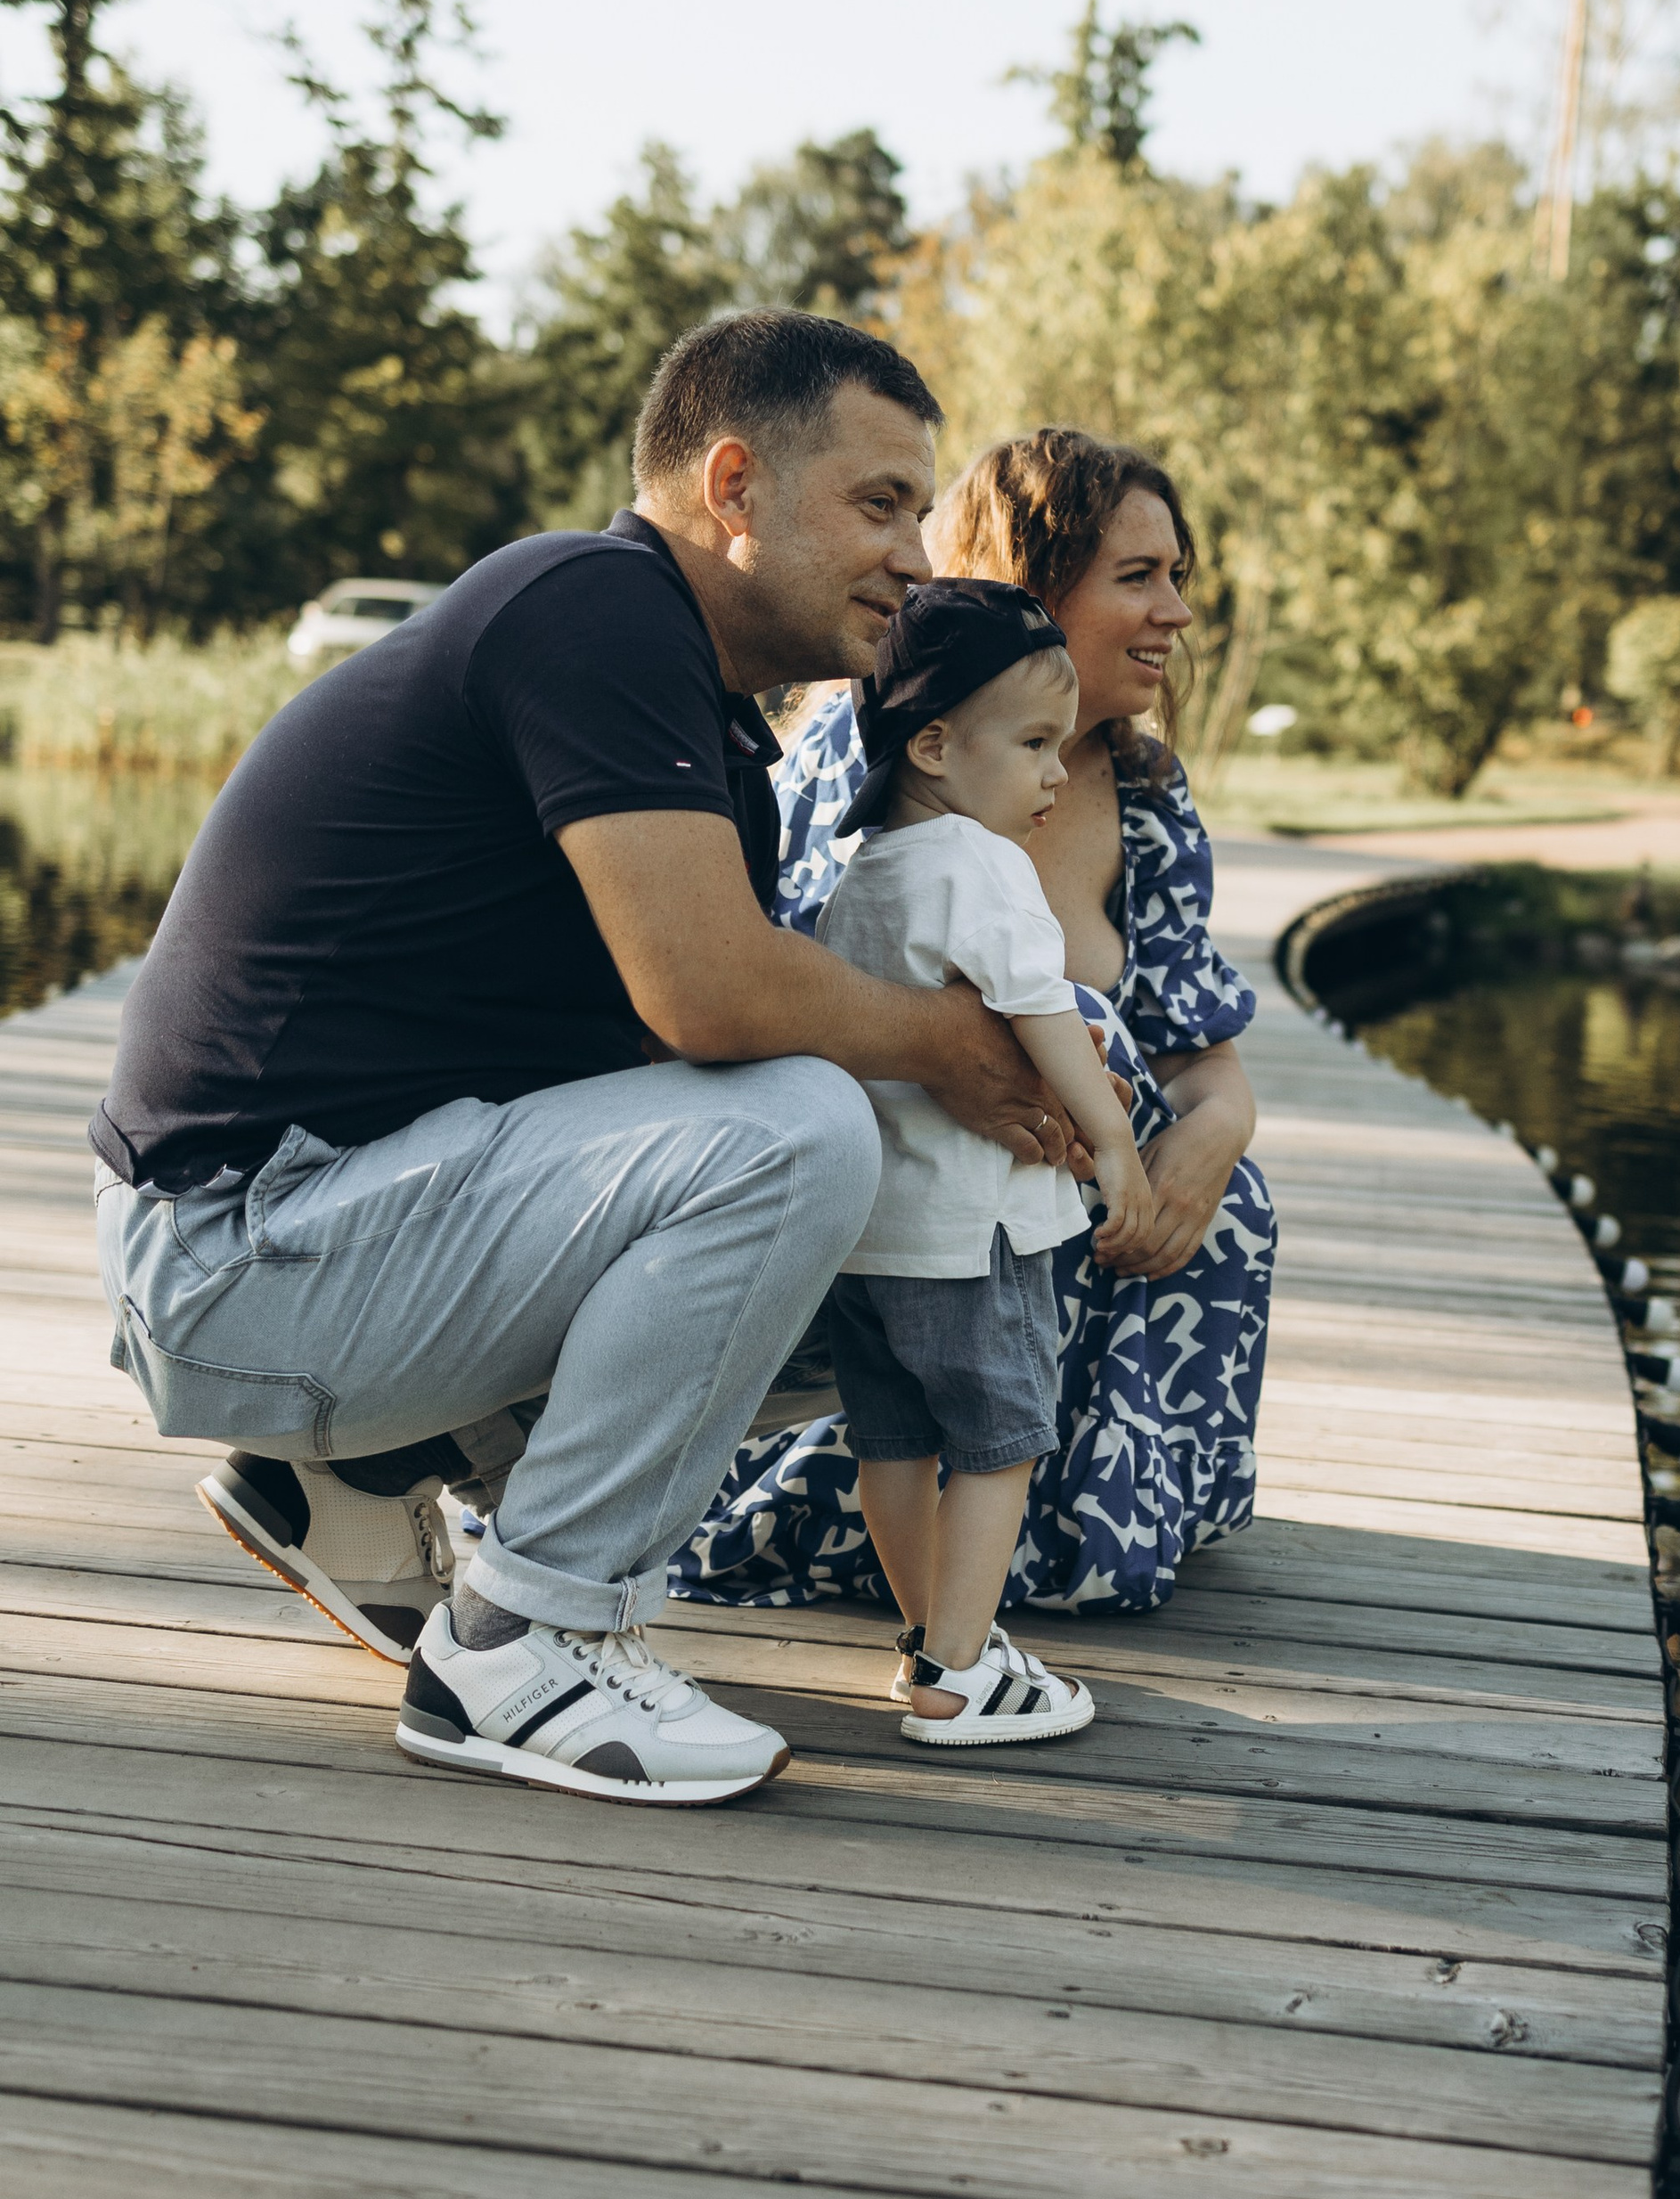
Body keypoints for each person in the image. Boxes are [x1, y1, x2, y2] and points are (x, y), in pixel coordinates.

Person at [90, 312, 1081, 1807]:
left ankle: (357, 1486)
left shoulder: (701, 716)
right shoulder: (597, 608)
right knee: (805, 1133)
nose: (919, 562)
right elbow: (710, 998)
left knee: (895, 1253)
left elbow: (652, 1067)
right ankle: (524, 1638)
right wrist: (951, 1044)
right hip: (240, 1253)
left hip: (315, 1242)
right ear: (734, 487)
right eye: (880, 506)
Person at [680, 425, 1276, 1620]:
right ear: (1033, 587)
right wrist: (951, 1059)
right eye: (1139, 577)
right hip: (908, 1209)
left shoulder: (1152, 797)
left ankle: (1091, 1508)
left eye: (1183, 579)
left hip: (1072, 1218)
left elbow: (1200, 1045)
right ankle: (935, 1581)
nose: (1177, 613)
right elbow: (779, 989)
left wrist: (1212, 1132)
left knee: (1234, 1199)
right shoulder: (870, 764)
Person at [807, 576, 1152, 1743]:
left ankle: (931, 1638)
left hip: (872, 1229)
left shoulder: (864, 873)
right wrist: (1114, 1143)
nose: (1059, 772)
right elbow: (1044, 1012)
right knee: (1000, 1443)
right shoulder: (983, 863)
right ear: (938, 744)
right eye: (1036, 743)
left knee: (893, 1443)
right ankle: (958, 1671)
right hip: (975, 1229)